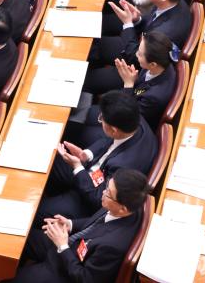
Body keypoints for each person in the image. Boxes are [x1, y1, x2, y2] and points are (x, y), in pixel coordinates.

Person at [38, 90, 157, 220]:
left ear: (113, 129)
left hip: (89, 197)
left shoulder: (123, 167)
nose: (100, 121)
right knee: (47, 157)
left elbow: (97, 199)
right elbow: (110, 139)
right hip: (92, 169)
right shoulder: (133, 120)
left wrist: (77, 166)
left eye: (102, 119)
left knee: (39, 211)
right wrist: (87, 155)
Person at [13, 170, 148, 283]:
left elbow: (84, 278)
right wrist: (70, 224)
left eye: (108, 193)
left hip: (66, 272)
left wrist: (62, 245)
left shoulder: (112, 247)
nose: (103, 192)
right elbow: (95, 223)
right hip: (70, 246)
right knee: (21, 237)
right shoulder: (122, 206)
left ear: (123, 209)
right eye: (106, 186)